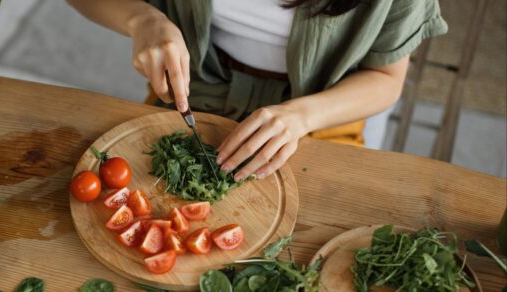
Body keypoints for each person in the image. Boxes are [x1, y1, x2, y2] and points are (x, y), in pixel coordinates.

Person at [67, 0, 447, 181]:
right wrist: (140, 18)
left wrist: (302, 116)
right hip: (197, 91)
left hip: (324, 111)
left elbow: (386, 79)